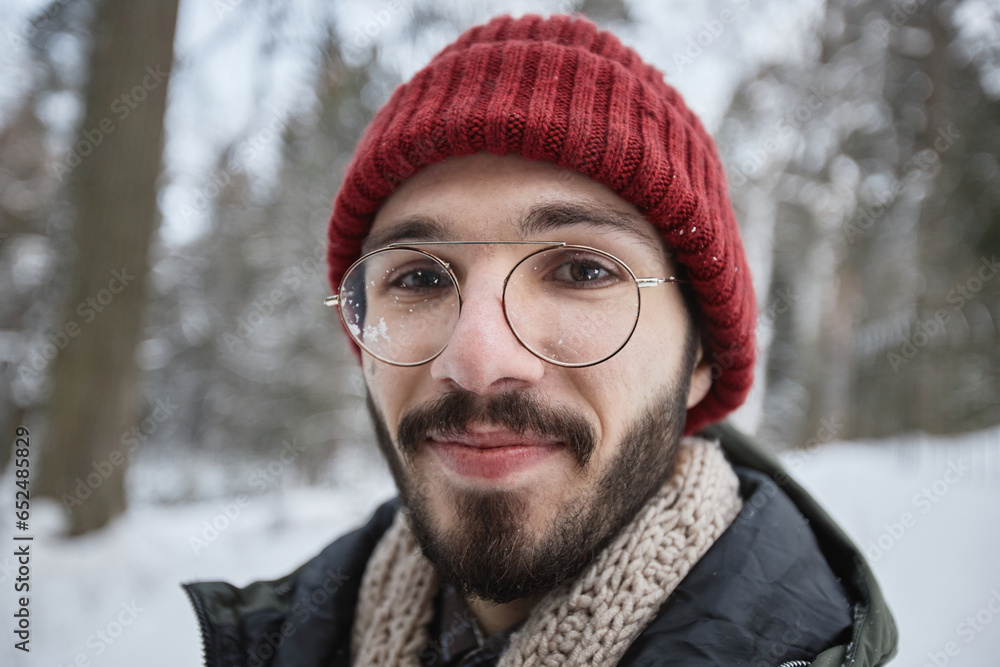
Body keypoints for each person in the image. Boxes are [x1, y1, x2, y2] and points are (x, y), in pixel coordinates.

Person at [184, 13, 897, 667]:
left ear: (702, 354)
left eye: (583, 269)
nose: (478, 359)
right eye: (421, 280)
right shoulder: (286, 639)